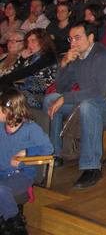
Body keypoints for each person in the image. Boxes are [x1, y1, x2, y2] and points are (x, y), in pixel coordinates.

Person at [43, 21, 106, 189]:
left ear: (91, 37)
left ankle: (92, 167)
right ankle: (55, 154)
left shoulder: (102, 55)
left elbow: (98, 91)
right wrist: (64, 64)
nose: (73, 43)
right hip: (94, 101)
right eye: (71, 39)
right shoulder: (78, 57)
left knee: (87, 106)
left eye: (77, 38)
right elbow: (62, 88)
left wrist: (65, 98)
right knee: (50, 100)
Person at [0, 89, 53, 233]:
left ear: (8, 111)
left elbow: (48, 149)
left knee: (1, 190)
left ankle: (16, 224)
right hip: (2, 172)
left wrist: (26, 152)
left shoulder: (30, 129)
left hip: (21, 174)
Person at [0, 29, 58, 109]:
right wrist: (22, 59)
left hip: (37, 92)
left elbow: (26, 72)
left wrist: (3, 79)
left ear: (42, 41)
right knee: (4, 86)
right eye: (28, 42)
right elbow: (15, 72)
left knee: (5, 88)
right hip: (22, 88)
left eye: (33, 41)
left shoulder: (48, 56)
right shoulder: (32, 55)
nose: (30, 44)